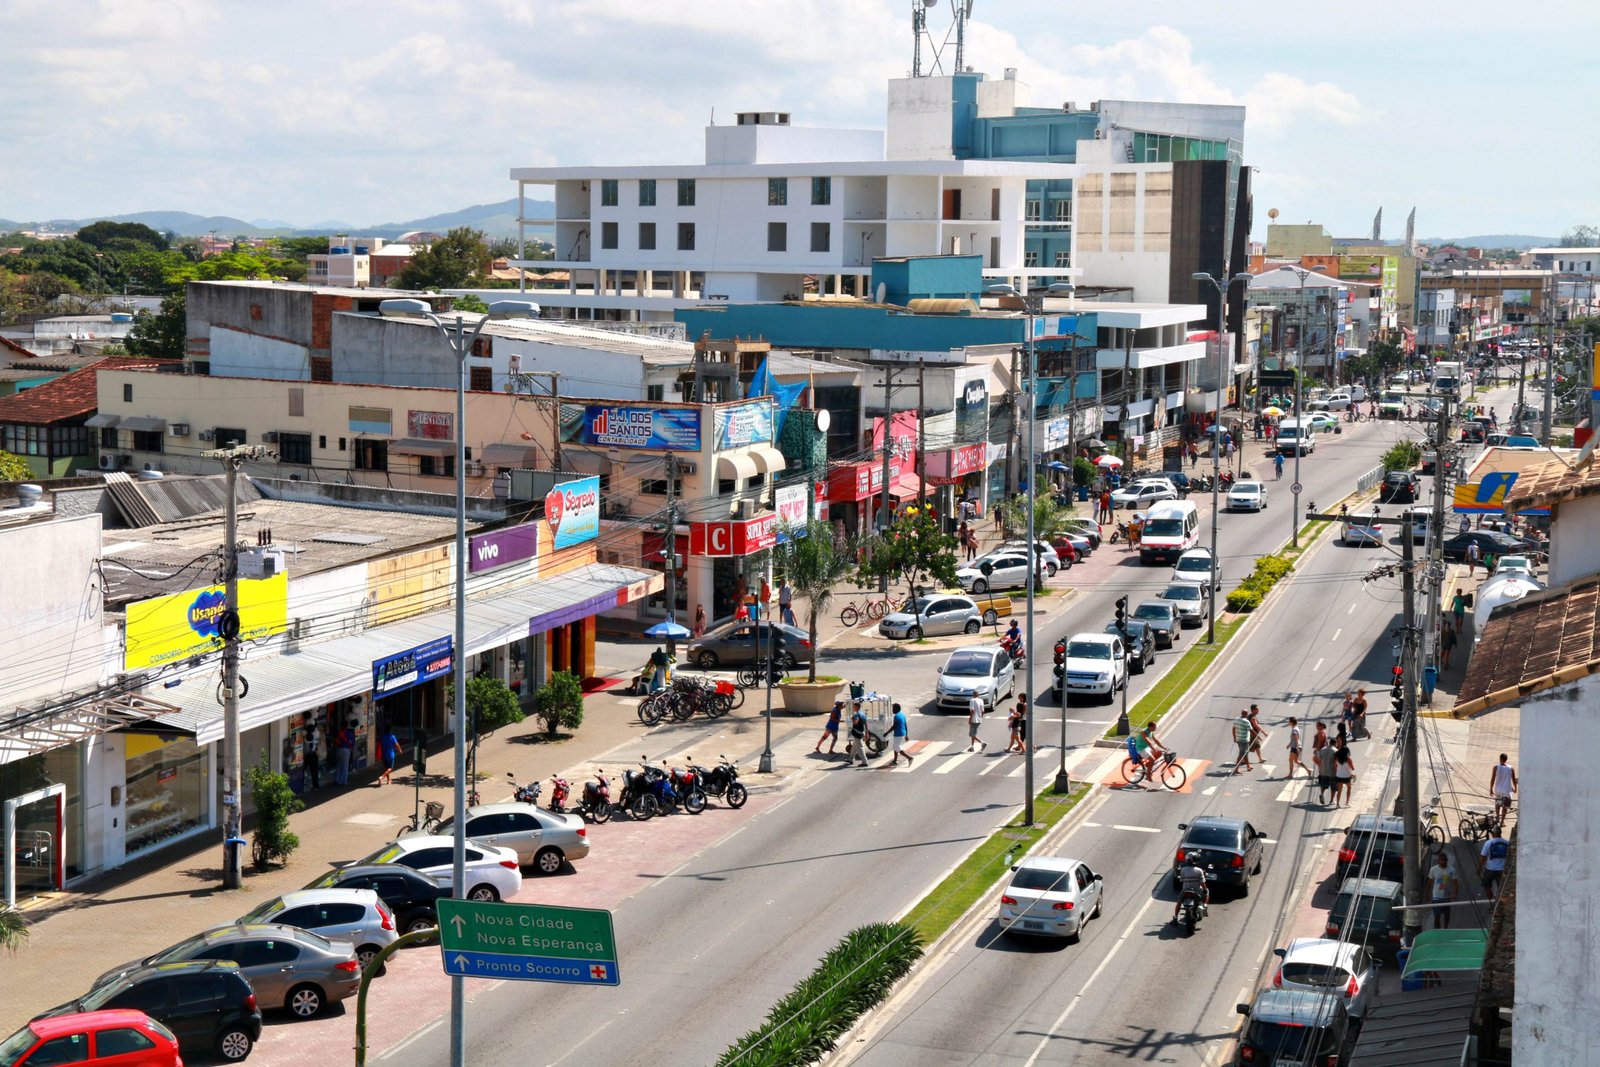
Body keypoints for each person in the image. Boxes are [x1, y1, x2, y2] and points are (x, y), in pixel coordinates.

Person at [1172, 856, 1210, 924]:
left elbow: (1181, 880)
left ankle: (1175, 917)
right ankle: (1204, 907)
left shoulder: (1183, 869)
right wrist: (1205, 890)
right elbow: (1202, 882)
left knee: (1179, 901)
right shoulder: (1199, 870)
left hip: (1185, 890)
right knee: (1207, 892)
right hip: (1197, 891)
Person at [1428, 852, 1457, 928]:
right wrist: (1427, 894)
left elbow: (1455, 883)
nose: (1444, 861)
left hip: (1447, 897)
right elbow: (1429, 882)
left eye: (1445, 860)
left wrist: (1454, 893)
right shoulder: (1433, 869)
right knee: (1437, 915)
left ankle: (1446, 928)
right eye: (1442, 860)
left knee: (1447, 916)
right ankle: (1438, 930)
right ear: (1438, 860)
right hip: (1436, 896)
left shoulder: (1452, 870)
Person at [1479, 830, 1510, 900]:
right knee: (1502, 888)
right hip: (1502, 869)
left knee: (1486, 885)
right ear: (1500, 833)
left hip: (1490, 869)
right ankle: (1499, 900)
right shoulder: (1507, 843)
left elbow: (1483, 857)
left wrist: (1479, 868)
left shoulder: (1488, 843)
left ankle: (1491, 900)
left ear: (1493, 834)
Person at [1490, 753, 1517, 820]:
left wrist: (1491, 789)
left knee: (1498, 805)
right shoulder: (1511, 768)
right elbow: (1513, 779)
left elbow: (1493, 779)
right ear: (1506, 759)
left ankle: (1498, 819)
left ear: (1500, 759)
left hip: (1498, 790)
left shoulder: (1496, 767)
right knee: (1505, 807)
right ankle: (1502, 821)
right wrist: (1515, 788)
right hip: (1507, 791)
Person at [1313, 732, 1338, 805]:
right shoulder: (1336, 751)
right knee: (1333, 787)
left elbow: (1318, 759)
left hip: (1323, 771)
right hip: (1332, 772)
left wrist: (1320, 768)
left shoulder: (1323, 749)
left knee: (1323, 784)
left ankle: (1322, 794)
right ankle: (1331, 800)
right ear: (1335, 743)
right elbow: (1336, 763)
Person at [888, 703, 914, 767]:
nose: (892, 710)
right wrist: (906, 735)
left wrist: (886, 733)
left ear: (897, 709)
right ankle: (895, 760)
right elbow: (905, 725)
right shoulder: (902, 715)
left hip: (898, 734)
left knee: (897, 747)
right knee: (896, 746)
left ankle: (909, 758)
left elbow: (894, 727)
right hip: (902, 733)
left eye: (893, 708)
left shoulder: (896, 716)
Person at [333, 720, 355, 786]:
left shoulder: (338, 732)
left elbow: (335, 741)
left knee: (339, 765)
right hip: (345, 750)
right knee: (345, 766)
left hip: (338, 749)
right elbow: (352, 742)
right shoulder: (348, 733)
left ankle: (337, 780)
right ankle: (344, 781)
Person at [303, 720, 323, 791]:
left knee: (308, 770)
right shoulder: (316, 733)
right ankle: (315, 786)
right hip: (311, 754)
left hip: (308, 755)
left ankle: (314, 786)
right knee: (314, 771)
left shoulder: (310, 734)